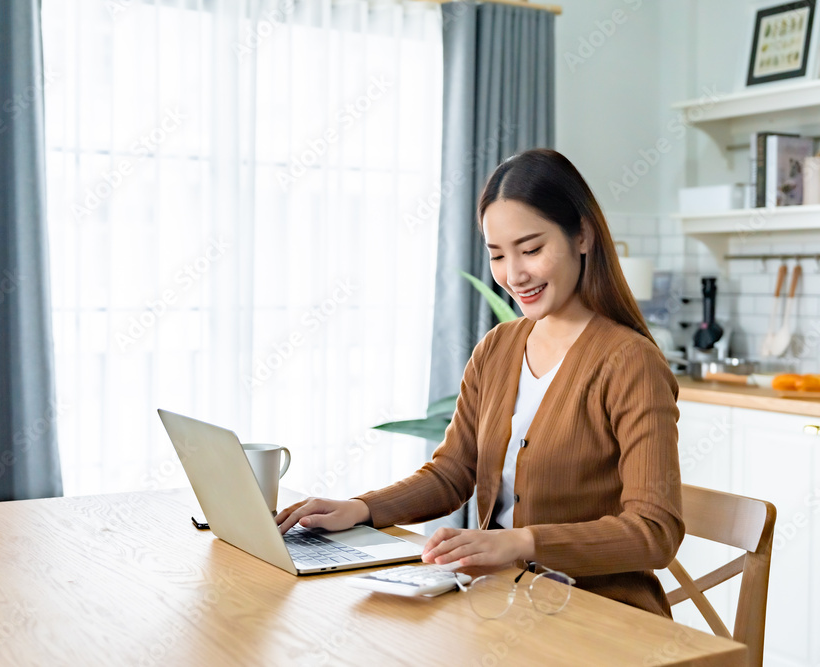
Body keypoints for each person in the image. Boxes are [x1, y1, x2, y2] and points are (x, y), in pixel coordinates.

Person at [276, 148, 684, 618]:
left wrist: (521, 543)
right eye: (497, 255)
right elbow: (453, 474)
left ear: (583, 235)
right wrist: (362, 509)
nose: (514, 274)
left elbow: (655, 531)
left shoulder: (630, 362)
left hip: (602, 619)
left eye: (531, 250)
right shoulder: (498, 348)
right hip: (505, 606)